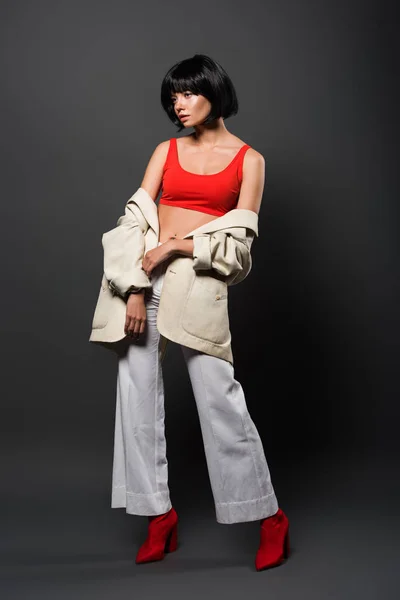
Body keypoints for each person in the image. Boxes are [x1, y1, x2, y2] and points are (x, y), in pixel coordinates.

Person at [90, 54, 290, 571]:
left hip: (197, 282)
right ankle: (159, 516)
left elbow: (239, 246)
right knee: (135, 399)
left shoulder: (250, 160)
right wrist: (134, 285)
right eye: (173, 96)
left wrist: (177, 246)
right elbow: (135, 220)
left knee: (220, 399)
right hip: (142, 278)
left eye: (188, 93)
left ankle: (268, 518)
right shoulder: (166, 150)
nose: (178, 104)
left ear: (214, 92)